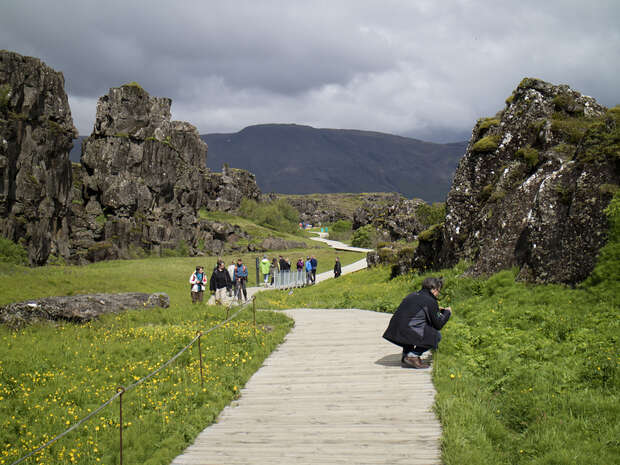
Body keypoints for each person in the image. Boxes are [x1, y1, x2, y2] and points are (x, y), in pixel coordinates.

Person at [382, 277, 452, 369]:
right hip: (406, 331)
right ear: (434, 290)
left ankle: (406, 354)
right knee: (436, 335)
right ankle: (413, 356)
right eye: (439, 291)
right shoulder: (430, 301)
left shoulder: (412, 295)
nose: (438, 294)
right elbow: (438, 325)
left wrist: (436, 310)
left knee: (414, 327)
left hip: (394, 330)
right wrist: (447, 313)